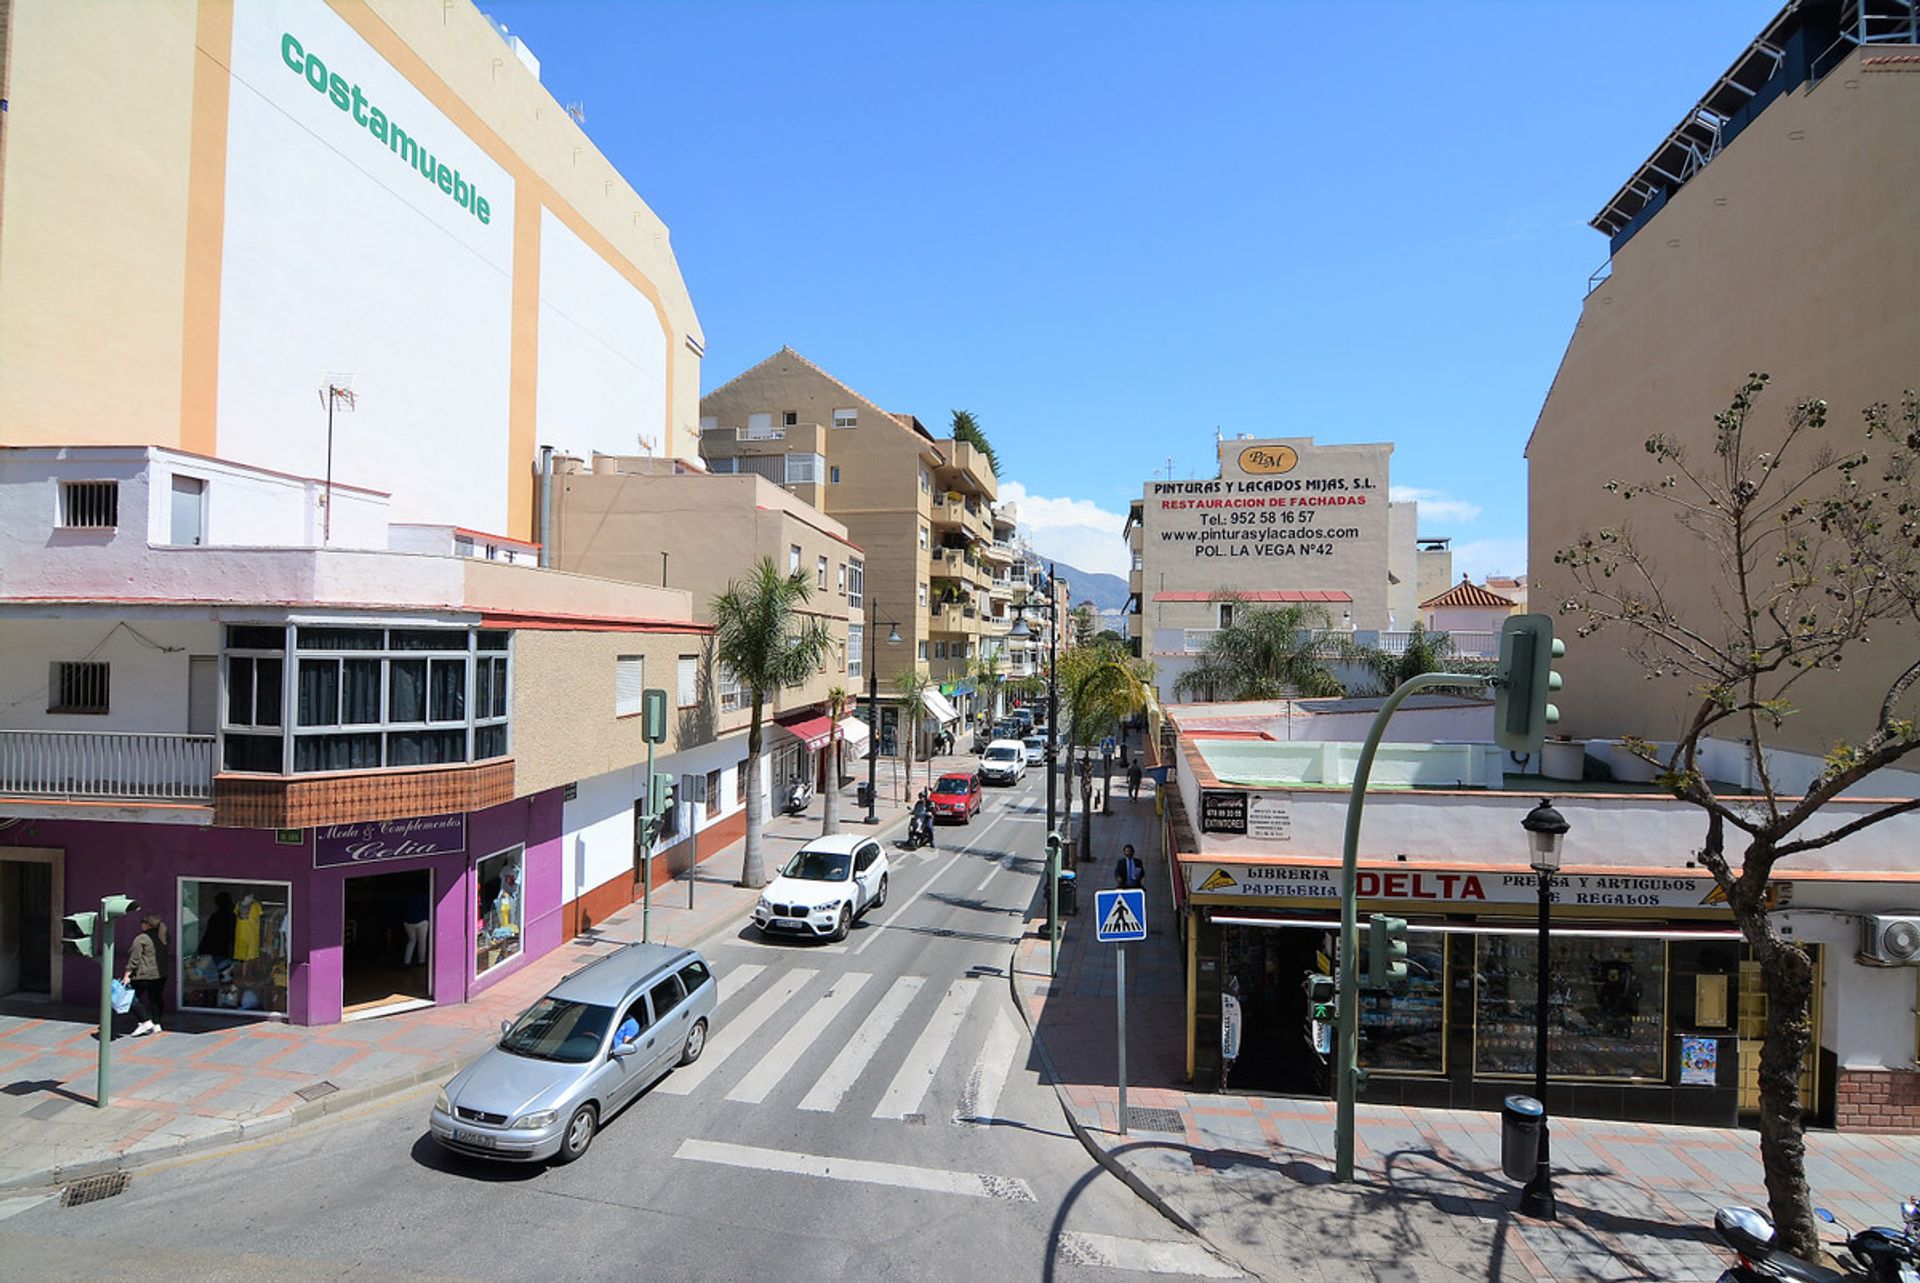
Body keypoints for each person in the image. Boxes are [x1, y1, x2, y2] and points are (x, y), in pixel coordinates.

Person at [123, 914, 168, 1037]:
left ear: (147, 924)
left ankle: (145, 1021)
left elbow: (134, 958)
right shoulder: (164, 937)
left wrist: (127, 974)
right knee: (156, 999)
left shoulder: (142, 938)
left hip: (144, 975)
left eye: (142, 922)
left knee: (129, 997)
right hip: (161, 974)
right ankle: (156, 1023)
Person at [402, 888, 431, 967]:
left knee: (411, 941)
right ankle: (422, 961)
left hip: (408, 922)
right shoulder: (425, 896)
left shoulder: (408, 897)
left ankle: (406, 962)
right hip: (422, 921)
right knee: (422, 942)